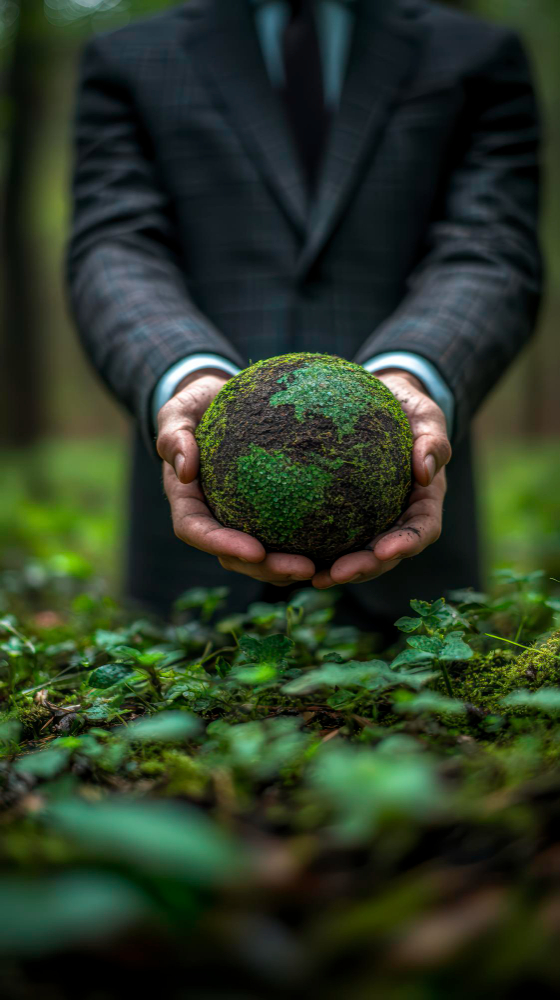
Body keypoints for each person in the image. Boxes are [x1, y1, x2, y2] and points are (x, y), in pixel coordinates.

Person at [67, 0, 541, 628]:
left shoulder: (476, 55)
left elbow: (491, 247)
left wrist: (414, 376)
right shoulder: (128, 57)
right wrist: (184, 375)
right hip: (193, 549)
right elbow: (114, 247)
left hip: (409, 539)